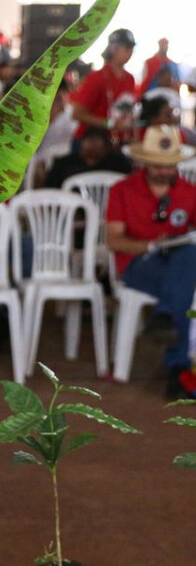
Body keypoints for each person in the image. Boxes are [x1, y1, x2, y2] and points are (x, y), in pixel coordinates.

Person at [106, 126, 196, 399]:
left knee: (189, 260)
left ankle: (164, 316)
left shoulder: (190, 192)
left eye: (170, 165)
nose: (165, 171)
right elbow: (115, 241)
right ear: (144, 162)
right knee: (187, 284)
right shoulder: (122, 190)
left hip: (179, 262)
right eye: (158, 165)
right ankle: (179, 369)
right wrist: (151, 245)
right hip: (137, 262)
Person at [70, 28, 137, 141]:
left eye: (131, 48)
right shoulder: (96, 78)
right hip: (92, 143)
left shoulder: (130, 78)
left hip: (117, 141)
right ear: (113, 49)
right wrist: (110, 123)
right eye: (126, 48)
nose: (130, 52)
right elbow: (77, 114)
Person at [44, 126, 131, 189]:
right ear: (80, 148)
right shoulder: (63, 165)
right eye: (87, 155)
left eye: (96, 156)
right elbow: (50, 193)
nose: (91, 161)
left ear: (107, 150)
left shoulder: (119, 164)